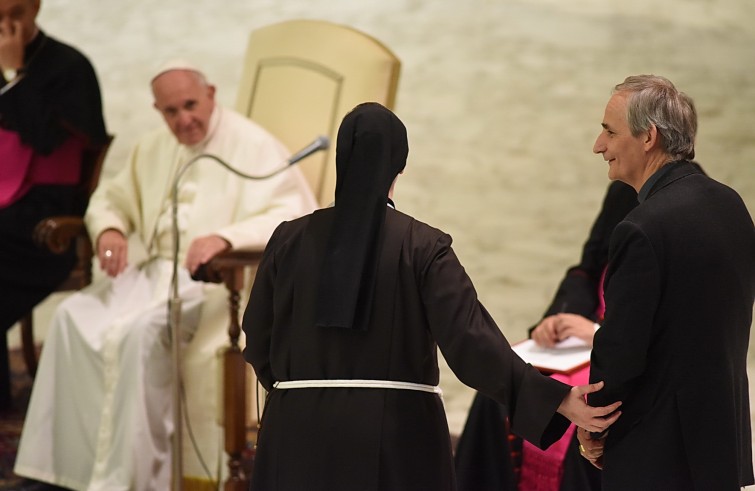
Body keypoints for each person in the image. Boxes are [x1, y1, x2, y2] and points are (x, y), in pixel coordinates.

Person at [242, 102, 623, 491]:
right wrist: (556, 399)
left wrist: (303, 392)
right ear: (400, 165)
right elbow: (471, 344)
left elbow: (257, 338)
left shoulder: (287, 241)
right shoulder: (423, 246)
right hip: (395, 436)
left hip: (294, 432)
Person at [10, 62, 317, 491]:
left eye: (190, 105)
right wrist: (112, 228)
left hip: (212, 283)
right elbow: (111, 198)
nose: (183, 119)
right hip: (151, 273)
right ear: (159, 111)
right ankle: (60, 473)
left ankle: (130, 479)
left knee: (138, 333)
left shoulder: (253, 145)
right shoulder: (154, 147)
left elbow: (294, 214)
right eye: (170, 112)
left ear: (210, 93)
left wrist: (226, 238)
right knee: (71, 316)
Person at [579, 75, 755, 490]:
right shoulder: (731, 205)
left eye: (609, 130)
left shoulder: (641, 228)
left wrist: (596, 422)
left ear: (648, 137)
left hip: (656, 452)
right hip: (722, 441)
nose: (598, 145)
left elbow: (621, 349)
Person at [453, 180, 637, 491]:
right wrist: (558, 318)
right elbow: (588, 269)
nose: (600, 146)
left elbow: (672, 326)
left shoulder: (683, 208)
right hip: (581, 347)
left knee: (580, 411)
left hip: (622, 358)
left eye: (609, 131)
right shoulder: (625, 189)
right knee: (498, 395)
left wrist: (598, 333)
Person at [0, 0, 107, 411]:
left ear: (36, 7)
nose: (8, 25)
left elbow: (46, 141)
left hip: (47, 219)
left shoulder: (69, 67)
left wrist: (14, 76)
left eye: (18, 13)